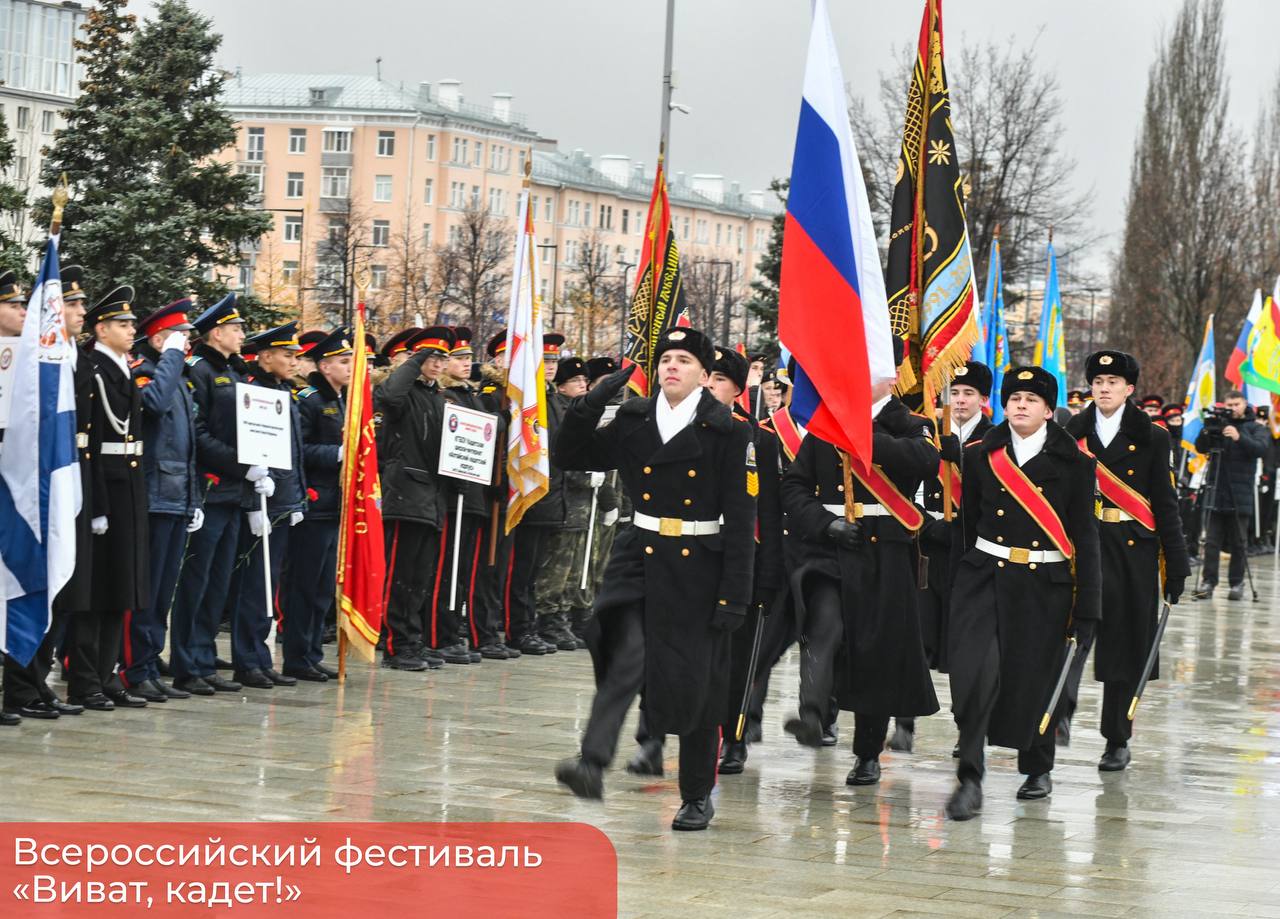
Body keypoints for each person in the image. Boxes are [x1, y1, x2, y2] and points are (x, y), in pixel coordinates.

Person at [553, 328, 755, 831]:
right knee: (624, 653)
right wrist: (595, 398)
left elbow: (742, 520)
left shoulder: (728, 431)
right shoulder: (635, 416)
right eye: (666, 358)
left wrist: (734, 596)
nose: (672, 367)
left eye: (685, 360)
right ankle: (591, 762)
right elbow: (573, 455)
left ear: (706, 376)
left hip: (698, 564)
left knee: (697, 685)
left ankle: (695, 794)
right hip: (639, 554)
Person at [780, 341, 940, 787]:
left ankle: (867, 753)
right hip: (834, 549)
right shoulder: (826, 427)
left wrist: (862, 434)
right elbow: (793, 487)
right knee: (823, 626)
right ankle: (813, 715)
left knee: (879, 655)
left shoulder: (911, 424)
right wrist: (824, 523)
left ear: (890, 378)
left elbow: (925, 461)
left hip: (887, 554)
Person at [945, 366, 1101, 821]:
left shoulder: (1075, 464)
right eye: (1014, 397)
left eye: (1031, 399)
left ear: (1049, 410)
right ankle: (970, 777)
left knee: (1035, 681)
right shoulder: (980, 456)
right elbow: (967, 524)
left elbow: (1085, 538)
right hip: (983, 580)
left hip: (1044, 589)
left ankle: (1037, 767)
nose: (1020, 405)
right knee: (974, 678)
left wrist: (1088, 604)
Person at [1063, 351, 1188, 771]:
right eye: (1098, 381)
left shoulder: (1152, 436)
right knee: (1071, 633)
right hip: (1085, 545)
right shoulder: (1070, 431)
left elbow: (1165, 504)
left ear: (1129, 389)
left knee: (1126, 649)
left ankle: (1116, 738)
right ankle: (1061, 706)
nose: (1104, 388)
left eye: (1113, 382)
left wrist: (1177, 562)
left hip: (1133, 549)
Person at [895, 360, 995, 754]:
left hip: (966, 552)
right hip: (922, 544)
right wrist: (919, 521)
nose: (960, 400)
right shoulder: (929, 433)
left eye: (968, 393)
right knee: (914, 637)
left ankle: (965, 726)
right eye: (955, 392)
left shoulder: (993, 439)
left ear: (984, 400)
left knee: (962, 646)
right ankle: (904, 721)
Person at [0, 267, 85, 723]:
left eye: (22, 303)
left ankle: (27, 683)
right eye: (12, 304)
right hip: (8, 485)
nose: (21, 310)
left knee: (32, 581)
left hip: (28, 487)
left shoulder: (38, 360)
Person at [67, 286, 150, 711]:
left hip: (129, 486)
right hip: (105, 486)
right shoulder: (92, 369)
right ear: (101, 329)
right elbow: (91, 444)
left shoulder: (120, 367)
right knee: (95, 589)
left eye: (132, 322)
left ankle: (107, 673)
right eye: (123, 323)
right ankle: (84, 679)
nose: (132, 329)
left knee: (121, 585)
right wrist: (97, 504)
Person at [169, 294, 252, 696]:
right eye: (237, 329)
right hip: (210, 488)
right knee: (196, 580)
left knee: (218, 583)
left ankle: (203, 658)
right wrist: (239, 463)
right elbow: (197, 432)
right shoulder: (199, 370)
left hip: (235, 492)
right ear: (217, 332)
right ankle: (185, 662)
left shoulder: (234, 371)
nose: (242, 335)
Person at [706, 346, 783, 774]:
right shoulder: (681, 428)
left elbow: (767, 509)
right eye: (708, 376)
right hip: (693, 558)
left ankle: (733, 738)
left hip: (742, 562)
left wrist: (769, 569)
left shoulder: (758, 437)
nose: (709, 385)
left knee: (739, 659)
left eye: (719, 379)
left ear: (737, 389)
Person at [121, 298, 200, 702]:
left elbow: (188, 448)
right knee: (145, 589)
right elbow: (152, 406)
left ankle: (150, 664)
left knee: (163, 589)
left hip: (176, 496)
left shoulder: (177, 378)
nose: (187, 345)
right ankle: (133, 667)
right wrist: (168, 359)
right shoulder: (145, 373)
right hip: (152, 495)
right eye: (179, 338)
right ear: (158, 340)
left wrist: (195, 498)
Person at [230, 323, 307, 690]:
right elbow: (254, 449)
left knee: (268, 583)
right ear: (264, 357)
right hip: (260, 498)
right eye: (287, 355)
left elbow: (292, 453)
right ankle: (246, 659)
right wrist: (253, 503)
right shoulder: (255, 391)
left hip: (280, 500)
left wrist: (296, 498)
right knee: (254, 583)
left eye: (295, 356)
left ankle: (260, 656)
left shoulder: (282, 391)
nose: (294, 362)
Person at [376, 326, 453, 671]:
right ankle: (395, 644)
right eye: (431, 358)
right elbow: (389, 396)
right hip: (405, 494)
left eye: (442, 359)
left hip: (432, 497)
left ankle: (413, 639)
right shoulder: (404, 393)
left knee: (419, 577)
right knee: (400, 574)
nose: (438, 365)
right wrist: (415, 360)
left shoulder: (438, 398)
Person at [280, 328, 350, 681]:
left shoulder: (342, 400)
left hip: (336, 506)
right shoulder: (308, 400)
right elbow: (300, 449)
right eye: (343, 361)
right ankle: (296, 655)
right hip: (314, 504)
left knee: (323, 588)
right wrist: (338, 454)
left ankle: (311, 653)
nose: (350, 366)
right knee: (304, 585)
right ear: (324, 366)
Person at [504, 333, 569, 656]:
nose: (553, 367)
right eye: (547, 361)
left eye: (556, 361)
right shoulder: (530, 399)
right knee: (521, 569)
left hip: (550, 496)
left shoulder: (552, 398)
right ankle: (517, 629)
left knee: (532, 572)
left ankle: (526, 627)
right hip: (529, 495)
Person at [533, 354, 597, 652]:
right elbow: (562, 451)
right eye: (576, 380)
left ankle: (564, 616)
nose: (583, 385)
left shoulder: (574, 409)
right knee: (556, 565)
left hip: (578, 502)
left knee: (574, 564)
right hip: (562, 496)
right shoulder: (555, 407)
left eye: (585, 380)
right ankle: (549, 618)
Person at [1192, 390, 1269, 600]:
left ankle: (1237, 583)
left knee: (1238, 543)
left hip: (1240, 493)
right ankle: (1208, 582)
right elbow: (1201, 447)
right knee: (1211, 542)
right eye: (1230, 404)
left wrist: (1238, 436)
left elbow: (1261, 449)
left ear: (1245, 403)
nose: (1233, 408)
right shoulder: (1219, 423)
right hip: (1216, 490)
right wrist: (1208, 430)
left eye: (1237, 404)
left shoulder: (1255, 427)